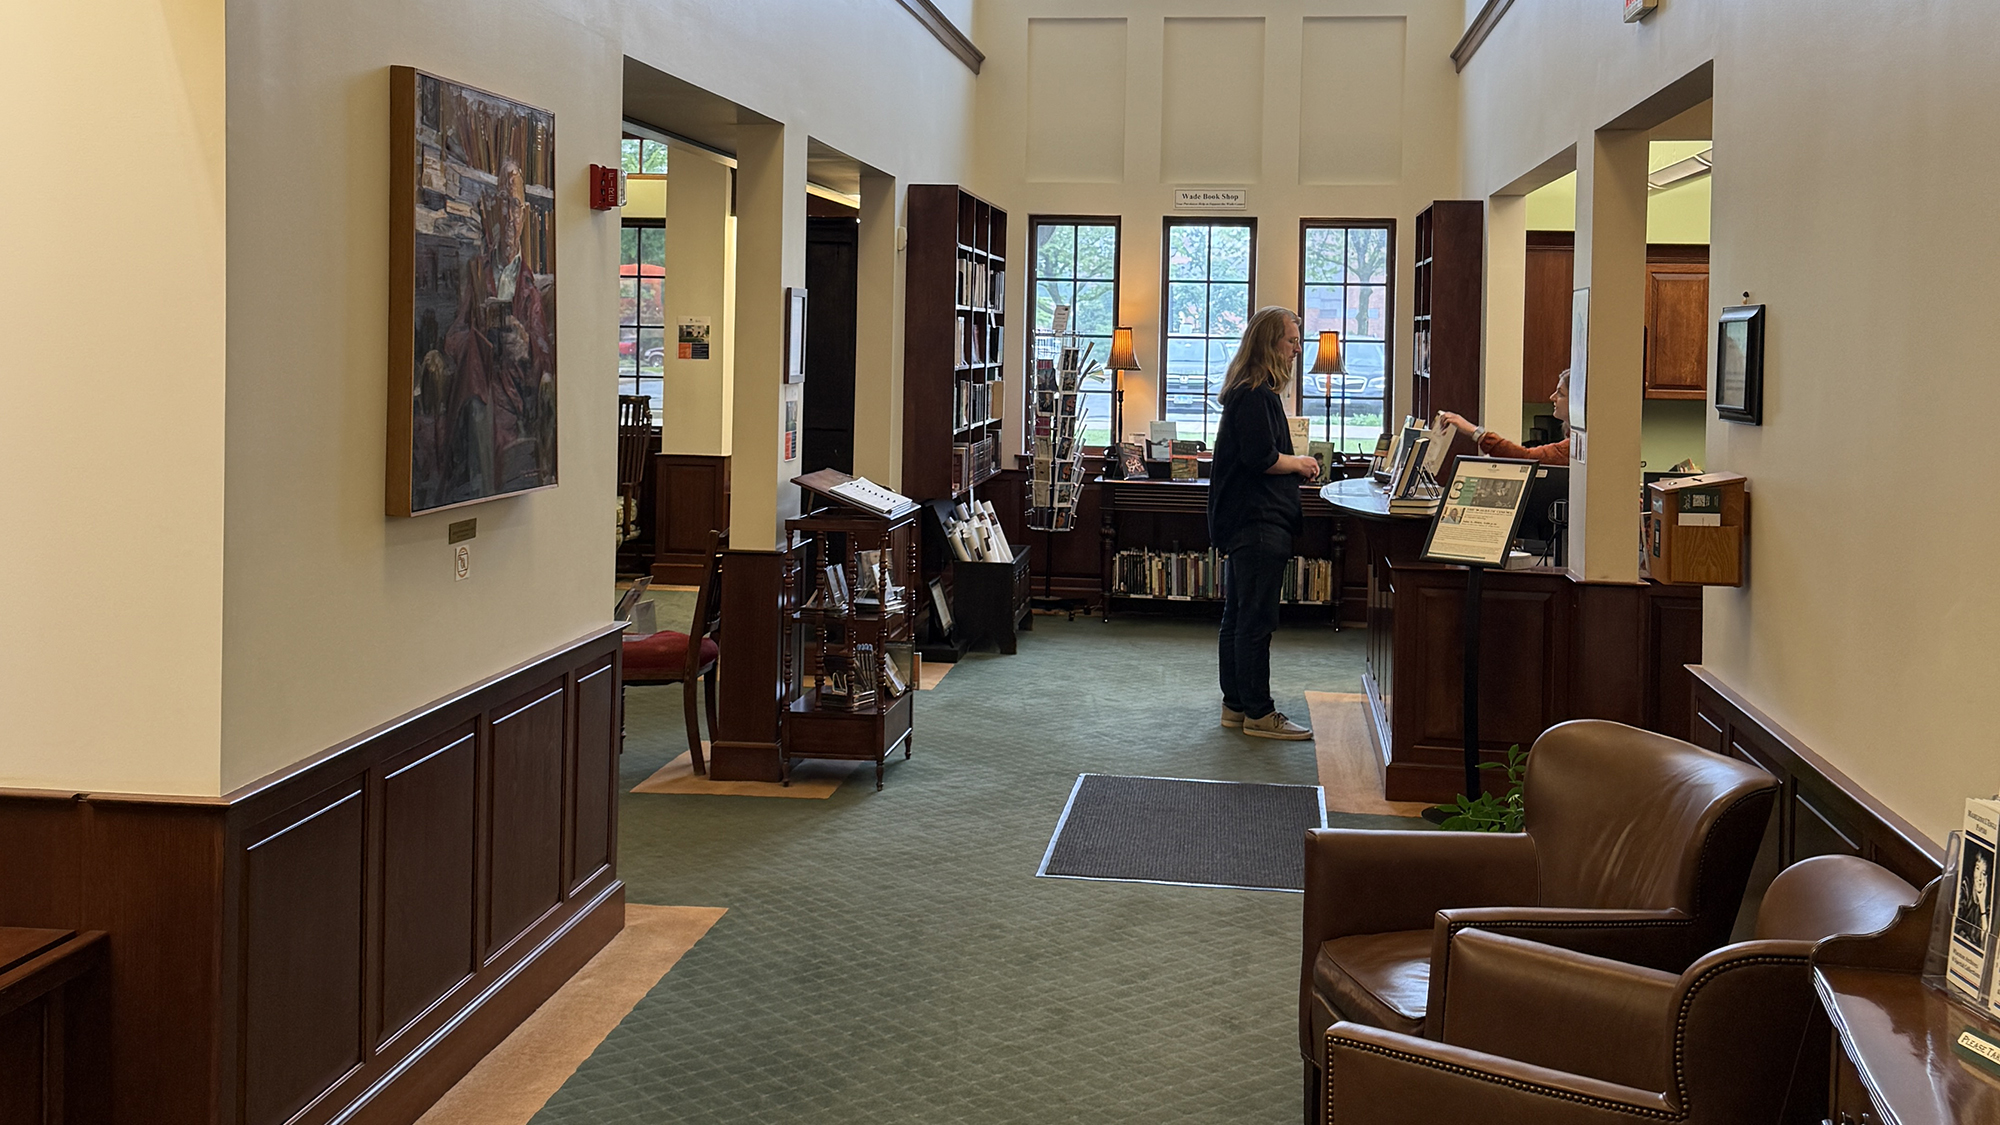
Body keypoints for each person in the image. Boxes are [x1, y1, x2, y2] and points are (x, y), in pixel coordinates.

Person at [1208, 307, 1319, 740]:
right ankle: (1259, 712)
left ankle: (1235, 705)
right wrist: (1301, 462)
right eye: (1291, 341)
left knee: (1238, 617)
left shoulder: (1248, 390)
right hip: (1257, 523)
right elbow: (1261, 458)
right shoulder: (1256, 394)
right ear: (1270, 343)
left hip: (1247, 522)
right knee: (1256, 621)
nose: (1296, 350)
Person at [1438, 368, 1572, 465]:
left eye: (1560, 394)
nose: (1552, 397)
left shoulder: (1571, 448)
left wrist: (1474, 432)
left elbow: (1526, 458)